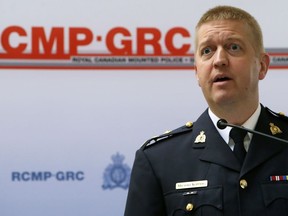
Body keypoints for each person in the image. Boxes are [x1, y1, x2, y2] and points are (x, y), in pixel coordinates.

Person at [124, 5, 288, 216]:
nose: (219, 60)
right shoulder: (159, 160)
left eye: (234, 47)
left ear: (262, 66)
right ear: (197, 72)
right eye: (207, 51)